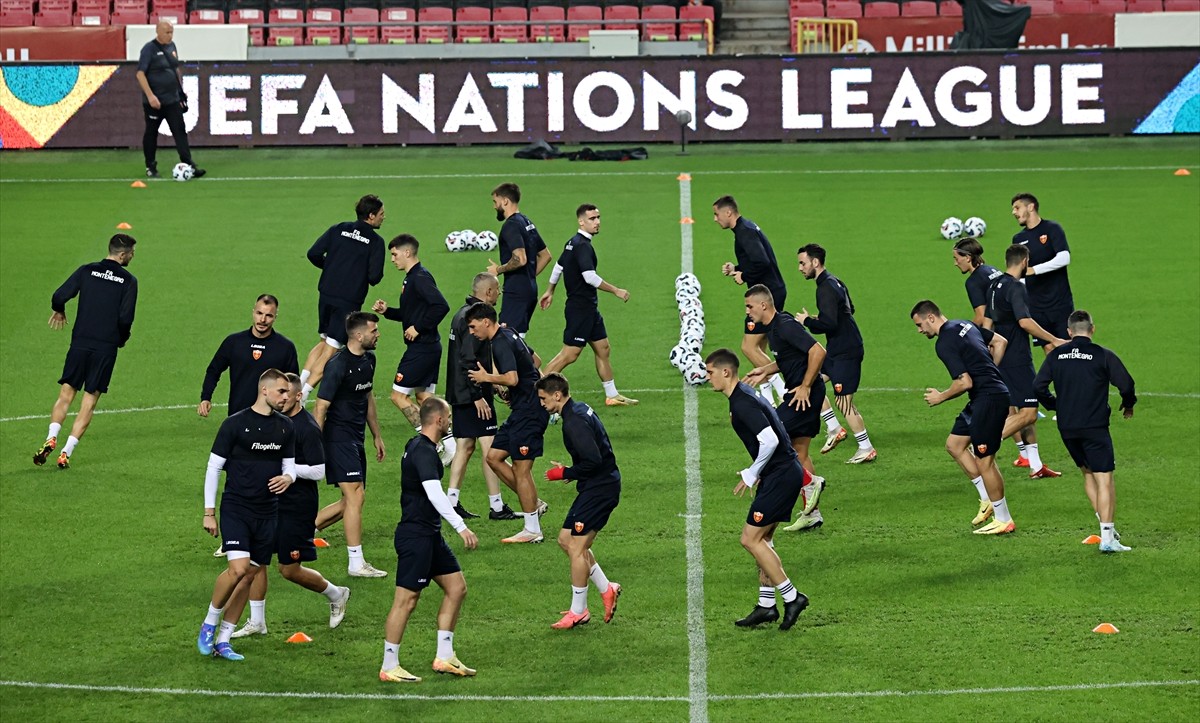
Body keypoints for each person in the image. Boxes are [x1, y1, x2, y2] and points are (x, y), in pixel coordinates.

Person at [227, 373, 351, 639]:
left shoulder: (306, 427)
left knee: (288, 569)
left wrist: (287, 471)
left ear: (297, 396)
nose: (281, 399)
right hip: (271, 503)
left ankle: (336, 593)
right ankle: (257, 621)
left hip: (297, 507)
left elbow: (319, 470)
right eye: (279, 393)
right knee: (257, 561)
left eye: (286, 394)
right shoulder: (277, 424)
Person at [704, 348, 810, 631]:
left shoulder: (742, 403)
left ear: (726, 372)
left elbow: (769, 440)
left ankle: (792, 597)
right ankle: (766, 606)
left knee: (750, 540)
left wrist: (752, 473)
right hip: (780, 473)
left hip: (781, 475)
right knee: (764, 540)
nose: (707, 377)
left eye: (710, 372)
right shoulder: (744, 396)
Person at [195, 368, 296, 662]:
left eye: (288, 392)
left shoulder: (285, 427)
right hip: (237, 507)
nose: (286, 397)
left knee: (249, 575)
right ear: (264, 390)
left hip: (269, 511)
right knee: (238, 570)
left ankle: (224, 639)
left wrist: (288, 479)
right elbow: (214, 468)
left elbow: (289, 465)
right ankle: (209, 623)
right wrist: (209, 512)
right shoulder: (235, 425)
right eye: (281, 391)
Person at [380, 396, 479, 683]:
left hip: (429, 534)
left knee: (456, 587)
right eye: (447, 417)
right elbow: (435, 494)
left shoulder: (419, 447)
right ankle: (389, 665)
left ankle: (444, 656)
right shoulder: (423, 452)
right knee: (406, 601)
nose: (449, 422)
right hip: (416, 537)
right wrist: (461, 527)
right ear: (438, 420)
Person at [910, 300, 1016, 535]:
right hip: (983, 395)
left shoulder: (944, 342)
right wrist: (990, 369)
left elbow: (963, 382)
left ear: (930, 318)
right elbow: (1000, 341)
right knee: (955, 445)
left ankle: (1004, 518)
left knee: (984, 460)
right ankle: (987, 499)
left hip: (988, 398)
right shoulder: (965, 324)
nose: (919, 330)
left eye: (919, 325)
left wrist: (941, 397)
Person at [33, 233, 138, 470]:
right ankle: (65, 453)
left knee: (66, 394)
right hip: (105, 347)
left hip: (80, 343)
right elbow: (125, 318)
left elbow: (59, 296)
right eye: (131, 253)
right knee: (88, 402)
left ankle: (51, 435)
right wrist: (121, 340)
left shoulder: (86, 271)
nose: (132, 256)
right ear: (122, 255)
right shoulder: (129, 281)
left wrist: (59, 310)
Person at [1034, 310, 1137, 553]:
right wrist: (1128, 403)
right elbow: (1126, 383)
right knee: (1105, 479)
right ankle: (1108, 539)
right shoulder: (1102, 355)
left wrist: (1054, 404)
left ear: (1069, 332)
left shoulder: (1057, 355)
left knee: (1088, 474)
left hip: (1067, 427)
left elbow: (1038, 386)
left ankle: (1106, 529)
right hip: (1094, 427)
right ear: (1092, 329)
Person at [536, 373, 624, 629]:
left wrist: (565, 472)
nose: (542, 404)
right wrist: (573, 471)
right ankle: (607, 588)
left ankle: (579, 611)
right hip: (595, 486)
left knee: (577, 548)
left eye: (543, 399)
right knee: (565, 540)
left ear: (557, 395)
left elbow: (593, 460)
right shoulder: (578, 409)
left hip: (601, 489)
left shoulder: (572, 422)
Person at [741, 285, 828, 532]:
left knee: (770, 436)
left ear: (764, 305)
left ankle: (810, 482)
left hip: (802, 396)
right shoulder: (775, 329)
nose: (747, 313)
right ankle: (813, 514)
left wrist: (805, 386)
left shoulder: (784, 325)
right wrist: (765, 370)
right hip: (802, 394)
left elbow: (817, 351)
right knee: (799, 451)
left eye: (749, 307)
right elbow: (789, 358)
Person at [464, 302, 550, 543]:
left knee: (522, 469)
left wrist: (486, 378)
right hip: (522, 408)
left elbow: (511, 378)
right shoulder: (509, 332)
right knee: (493, 457)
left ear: (486, 322)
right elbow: (536, 361)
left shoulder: (500, 341)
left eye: (473, 326)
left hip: (530, 411)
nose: (472, 332)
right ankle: (533, 505)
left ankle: (532, 529)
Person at [538, 204, 639, 407]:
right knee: (569, 354)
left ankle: (612, 395)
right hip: (580, 309)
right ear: (581, 221)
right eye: (592, 218)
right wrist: (616, 290)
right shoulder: (582, 245)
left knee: (603, 348)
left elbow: (558, 267)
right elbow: (589, 277)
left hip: (589, 309)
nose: (597, 221)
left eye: (598, 217)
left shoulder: (572, 243)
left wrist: (550, 290)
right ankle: (536, 393)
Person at [313, 312, 389, 577]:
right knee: (355, 496)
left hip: (356, 437)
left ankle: (300, 533)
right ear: (358, 335)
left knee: (352, 500)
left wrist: (376, 435)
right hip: (337, 437)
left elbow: (368, 397)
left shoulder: (369, 360)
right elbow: (321, 407)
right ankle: (356, 563)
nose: (378, 334)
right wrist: (314, 445)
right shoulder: (337, 365)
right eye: (374, 331)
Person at [984, 244, 1067, 479]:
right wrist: (1054, 339)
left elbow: (987, 324)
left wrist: (987, 354)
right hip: (1017, 359)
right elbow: (1025, 322)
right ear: (1025, 261)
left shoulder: (993, 285)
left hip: (999, 357)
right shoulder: (1016, 287)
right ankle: (982, 444)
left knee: (1021, 410)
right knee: (1029, 413)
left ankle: (1036, 465)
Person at [299, 195, 387, 403]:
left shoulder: (338, 228)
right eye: (382, 214)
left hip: (326, 294)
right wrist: (356, 274)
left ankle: (299, 382)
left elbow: (313, 253)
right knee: (331, 349)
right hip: (347, 301)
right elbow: (375, 277)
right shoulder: (375, 242)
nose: (384, 218)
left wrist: (332, 267)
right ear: (371, 216)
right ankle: (302, 396)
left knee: (323, 341)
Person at [444, 273, 517, 521]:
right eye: (497, 290)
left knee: (465, 446)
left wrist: (493, 385)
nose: (499, 294)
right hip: (472, 394)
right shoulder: (472, 319)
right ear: (487, 292)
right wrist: (478, 394)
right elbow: (468, 360)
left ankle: (450, 503)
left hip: (460, 391)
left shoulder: (461, 314)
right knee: (491, 449)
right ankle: (496, 506)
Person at [796, 243, 877, 465]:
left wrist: (808, 322)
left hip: (846, 352)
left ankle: (866, 447)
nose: (800, 268)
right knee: (811, 382)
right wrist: (821, 318)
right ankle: (834, 428)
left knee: (843, 401)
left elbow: (830, 324)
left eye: (802, 263)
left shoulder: (825, 288)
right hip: (837, 349)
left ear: (815, 262)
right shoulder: (835, 281)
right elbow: (850, 309)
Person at [712, 195, 787, 403]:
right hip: (772, 291)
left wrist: (744, 276)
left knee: (749, 347)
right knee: (758, 349)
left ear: (728, 213)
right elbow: (757, 259)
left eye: (716, 214)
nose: (715, 219)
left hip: (766, 297)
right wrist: (736, 268)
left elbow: (762, 262)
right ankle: (768, 400)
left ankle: (784, 393)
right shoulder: (745, 228)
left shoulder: (744, 233)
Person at [371, 234, 450, 431]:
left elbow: (441, 306)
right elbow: (412, 314)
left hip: (422, 349)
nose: (392, 259)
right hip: (429, 346)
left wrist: (418, 328)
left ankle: (434, 440)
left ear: (407, 252)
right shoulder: (414, 277)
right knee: (424, 398)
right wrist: (387, 312)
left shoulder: (419, 278)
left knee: (398, 396)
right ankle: (451, 437)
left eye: (394, 254)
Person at [198, 294, 299, 418]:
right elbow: (214, 370)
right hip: (237, 416)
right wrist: (206, 397)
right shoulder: (234, 342)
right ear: (253, 312)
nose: (262, 320)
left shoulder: (285, 347)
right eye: (259, 313)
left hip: (272, 419)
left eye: (268, 316)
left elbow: (292, 384)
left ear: (275, 317)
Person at [136, 20, 204, 180]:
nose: (170, 35)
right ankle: (150, 167)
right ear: (158, 31)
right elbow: (140, 74)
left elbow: (174, 68)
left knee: (180, 130)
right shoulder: (148, 49)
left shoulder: (172, 46)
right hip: (154, 102)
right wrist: (150, 96)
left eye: (171, 32)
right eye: (167, 32)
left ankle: (189, 165)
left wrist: (180, 91)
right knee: (151, 133)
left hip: (172, 99)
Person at [486, 182, 553, 338]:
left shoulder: (511, 226)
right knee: (516, 339)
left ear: (505, 201)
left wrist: (498, 270)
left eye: (495, 202)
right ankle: (531, 363)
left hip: (516, 293)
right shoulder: (526, 222)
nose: (494, 207)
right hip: (529, 290)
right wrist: (528, 277)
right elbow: (545, 255)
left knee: (508, 340)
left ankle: (531, 363)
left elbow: (520, 259)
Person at [1011, 192, 1075, 348]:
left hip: (1060, 303)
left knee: (1069, 348)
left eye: (1017, 208)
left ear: (1031, 207)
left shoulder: (1052, 228)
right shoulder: (1018, 239)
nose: (1014, 213)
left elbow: (1064, 258)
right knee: (1048, 347)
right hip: (1036, 306)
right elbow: (1019, 273)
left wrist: (1035, 270)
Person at [952, 237, 1003, 328]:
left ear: (968, 258)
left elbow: (981, 317)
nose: (955, 263)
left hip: (1001, 330)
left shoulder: (973, 281)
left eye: (956, 259)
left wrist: (968, 331)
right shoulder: (993, 269)